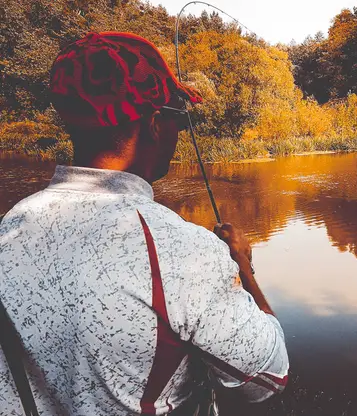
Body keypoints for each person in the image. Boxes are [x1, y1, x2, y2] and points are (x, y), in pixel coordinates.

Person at [0, 32, 288, 415]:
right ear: (154, 124)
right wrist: (244, 270)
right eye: (178, 121)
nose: (178, 134)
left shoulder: (10, 228)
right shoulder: (184, 252)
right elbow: (267, 378)